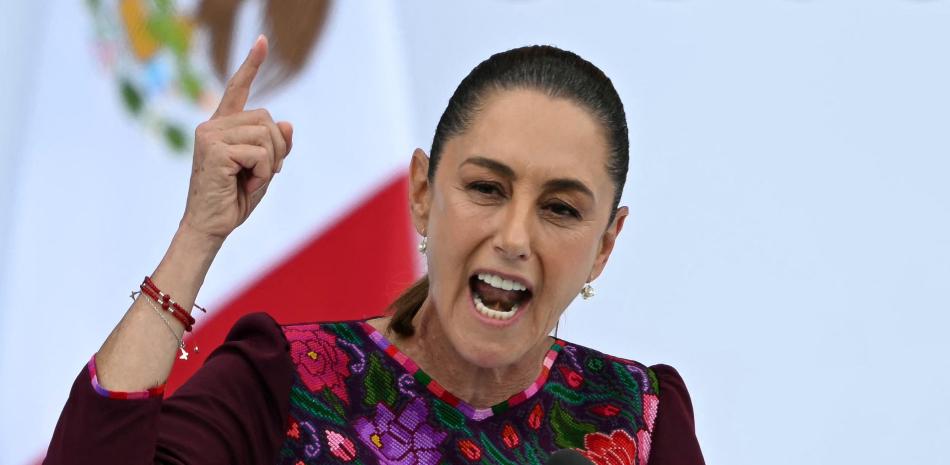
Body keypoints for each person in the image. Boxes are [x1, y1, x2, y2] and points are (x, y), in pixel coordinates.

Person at [44, 36, 705, 465]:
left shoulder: (639, 420)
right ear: (422, 192)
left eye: (560, 208)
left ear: (604, 245)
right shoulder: (289, 380)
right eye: (485, 187)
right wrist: (197, 237)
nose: (513, 237)